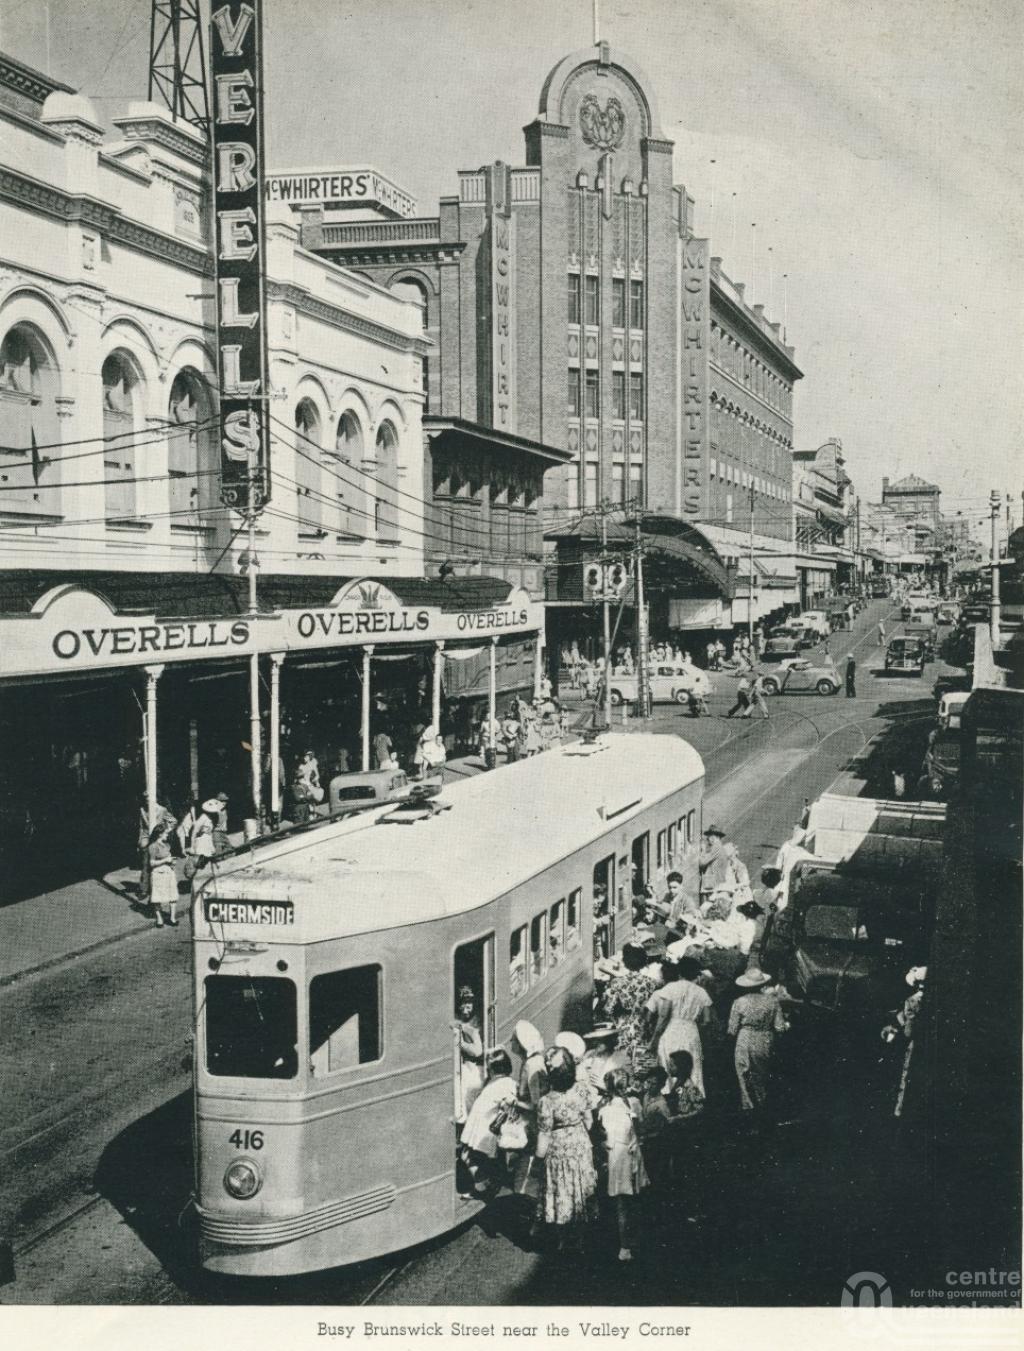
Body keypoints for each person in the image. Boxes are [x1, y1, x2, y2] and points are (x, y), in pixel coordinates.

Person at [535, 1048, 598, 1242]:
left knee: (561, 1190)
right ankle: (581, 1237)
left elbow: (544, 1134)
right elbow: (589, 1120)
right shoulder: (582, 1089)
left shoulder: (546, 1101)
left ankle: (562, 1240)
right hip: (580, 1146)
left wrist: (538, 1157)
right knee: (580, 1187)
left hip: (558, 1151)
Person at [596, 1068, 648, 1262]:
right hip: (631, 1153)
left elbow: (603, 1135)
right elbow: (640, 1128)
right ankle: (633, 1241)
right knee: (634, 1199)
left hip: (618, 1156)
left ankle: (625, 1246)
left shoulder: (605, 1111)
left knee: (622, 1203)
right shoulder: (633, 1104)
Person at [646, 955, 713, 1096]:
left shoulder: (670, 988)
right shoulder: (701, 992)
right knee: (693, 1068)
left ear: (680, 972)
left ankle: (669, 1097)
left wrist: (654, 1039)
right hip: (691, 1031)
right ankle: (693, 1098)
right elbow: (707, 1020)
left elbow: (663, 1016)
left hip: (672, 1030)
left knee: (668, 1065)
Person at [728, 968, 788, 1116]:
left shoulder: (739, 1002)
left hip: (745, 1037)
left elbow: (732, 1029)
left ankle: (748, 1107)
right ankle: (762, 1104)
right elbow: (780, 1027)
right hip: (764, 1038)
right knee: (762, 1074)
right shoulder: (772, 1001)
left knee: (743, 1073)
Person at [459, 1047, 517, 1197]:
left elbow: (510, 1104)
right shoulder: (497, 1081)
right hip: (480, 1132)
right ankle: (487, 1187)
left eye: (490, 1067)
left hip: (486, 1132)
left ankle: (485, 1188)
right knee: (479, 1160)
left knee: (473, 1159)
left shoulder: (506, 1084)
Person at [605, 943, 658, 1086]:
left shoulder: (617, 983)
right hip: (645, 1030)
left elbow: (608, 1009)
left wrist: (618, 1017)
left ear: (625, 961)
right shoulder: (652, 983)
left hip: (624, 1031)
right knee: (643, 1070)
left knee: (623, 1071)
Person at [453, 986, 485, 1119]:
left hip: (476, 1067)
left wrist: (460, 1042)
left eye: (469, 1004)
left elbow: (477, 1051)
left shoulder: (476, 1022)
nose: (466, 1008)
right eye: (463, 1003)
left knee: (471, 1097)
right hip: (463, 1066)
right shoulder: (458, 1020)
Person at [148, 819, 180, 927]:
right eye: (165, 833)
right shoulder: (153, 846)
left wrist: (172, 862)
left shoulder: (167, 845)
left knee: (173, 896)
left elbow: (169, 857)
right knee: (157, 897)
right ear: (160, 834)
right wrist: (165, 860)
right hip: (158, 873)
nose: (167, 835)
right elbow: (151, 863)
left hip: (169, 872)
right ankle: (159, 919)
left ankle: (172, 918)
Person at [581, 1024, 627, 1096]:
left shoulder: (622, 1060)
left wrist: (605, 1086)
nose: (597, 1043)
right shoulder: (589, 1055)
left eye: (601, 1040)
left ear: (611, 1040)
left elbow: (626, 1089)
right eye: (595, 1039)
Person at [698, 825, 731, 906]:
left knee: (707, 906)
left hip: (712, 884)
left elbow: (702, 862)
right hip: (717, 882)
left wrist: (702, 851)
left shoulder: (716, 847)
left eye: (708, 836)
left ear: (713, 837)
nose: (707, 839)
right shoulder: (720, 847)